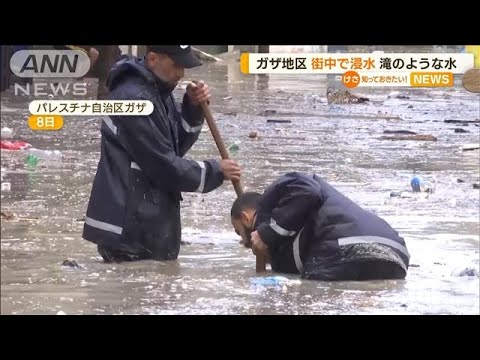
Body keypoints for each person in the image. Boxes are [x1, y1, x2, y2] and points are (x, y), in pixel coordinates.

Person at [83, 45, 241, 262]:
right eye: (176, 64)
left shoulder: (157, 91)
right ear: (153, 59)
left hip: (148, 221)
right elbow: (163, 165)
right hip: (129, 230)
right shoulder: (134, 99)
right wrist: (214, 170)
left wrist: (192, 108)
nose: (181, 73)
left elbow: (174, 146)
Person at [231, 172, 409, 281]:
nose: (245, 243)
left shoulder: (272, 198)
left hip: (348, 249)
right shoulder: (290, 233)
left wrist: (266, 234)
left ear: (246, 218)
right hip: (395, 254)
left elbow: (308, 189)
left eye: (240, 233)